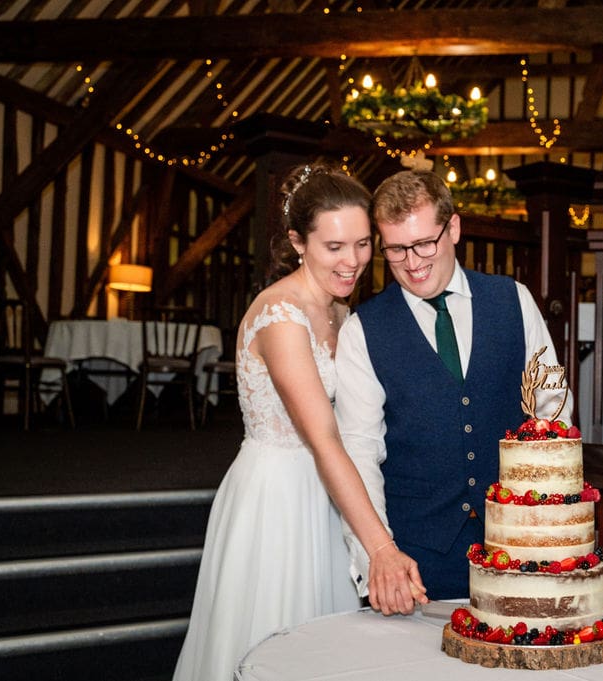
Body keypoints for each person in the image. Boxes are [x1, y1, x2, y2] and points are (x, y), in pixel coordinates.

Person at [173, 163, 426, 681]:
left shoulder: (341, 313)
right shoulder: (280, 317)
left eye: (361, 244)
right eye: (334, 247)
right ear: (297, 242)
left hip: (327, 493)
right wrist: (381, 547)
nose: (352, 260)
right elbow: (324, 437)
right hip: (277, 500)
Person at [334, 169, 571, 601]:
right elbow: (358, 452)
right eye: (396, 249)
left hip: (517, 547)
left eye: (424, 243)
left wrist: (548, 529)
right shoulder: (362, 330)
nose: (412, 261)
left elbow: (551, 412)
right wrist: (378, 554)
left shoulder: (513, 300)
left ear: (454, 228)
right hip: (416, 559)